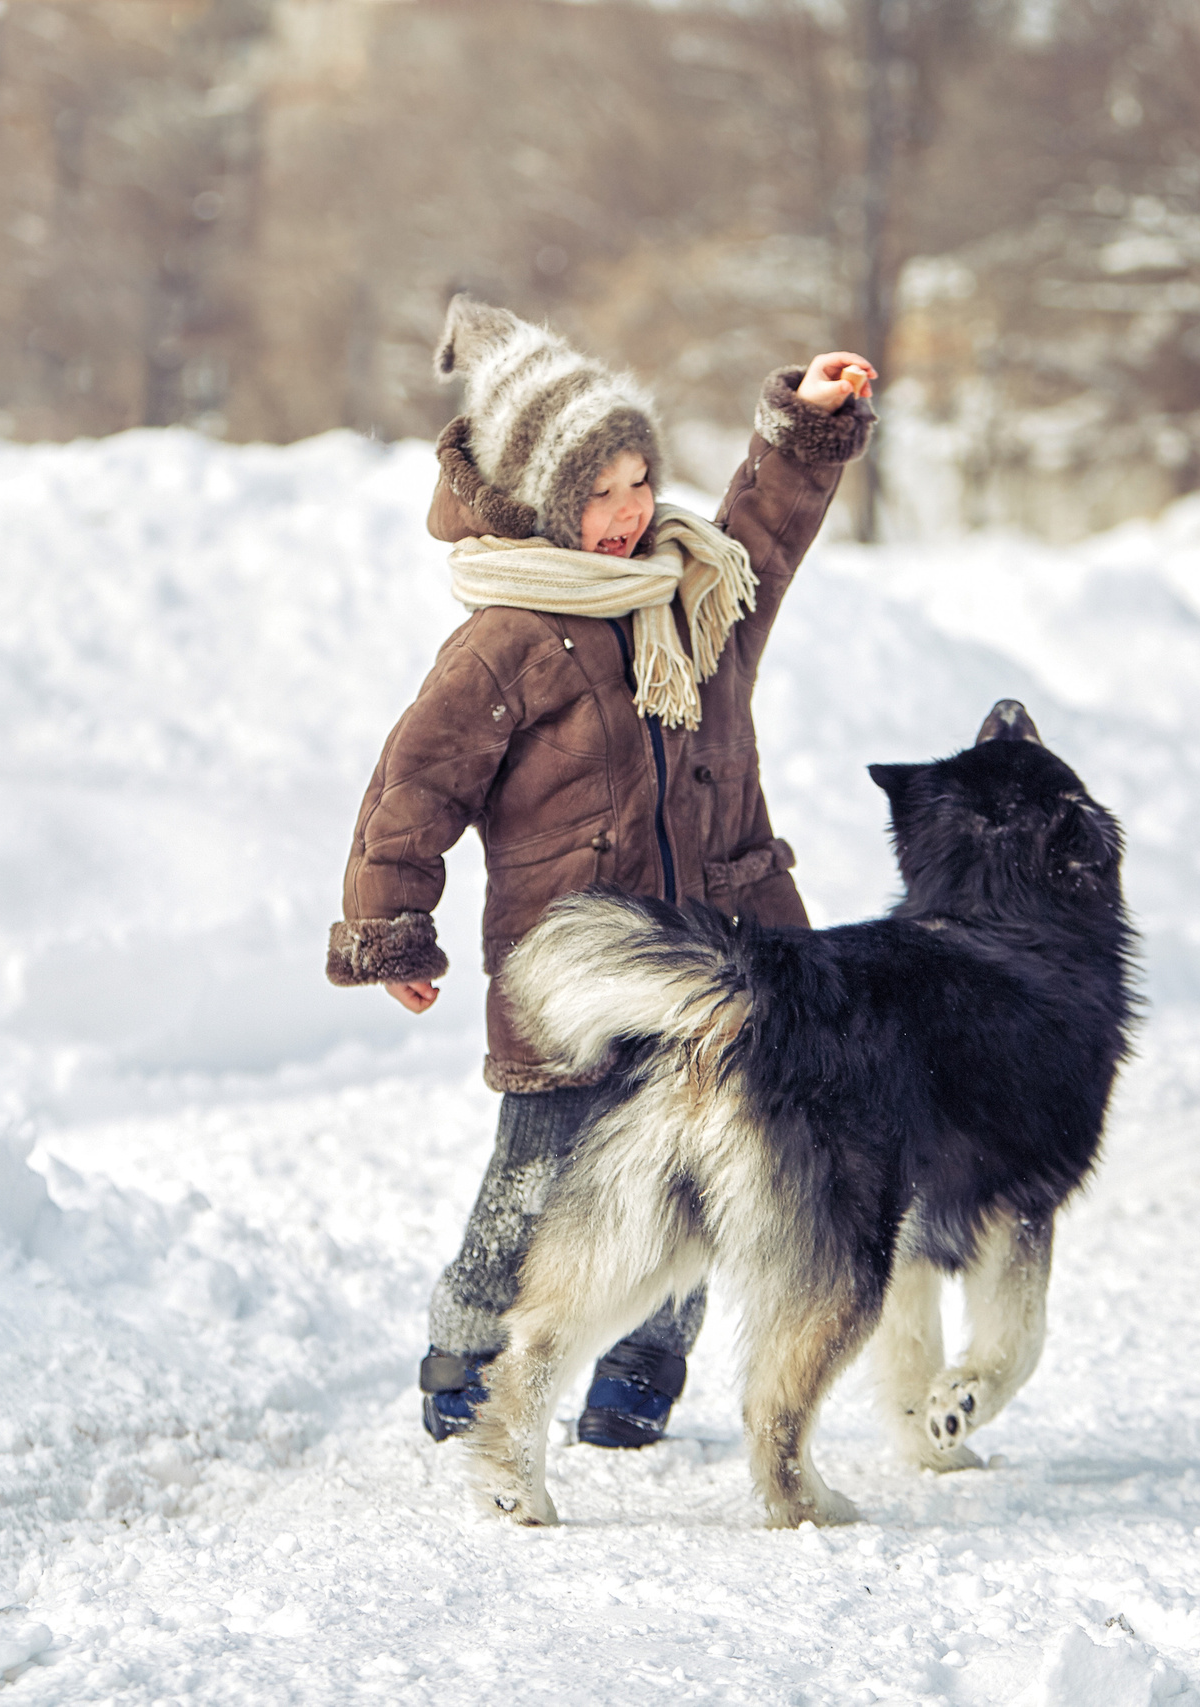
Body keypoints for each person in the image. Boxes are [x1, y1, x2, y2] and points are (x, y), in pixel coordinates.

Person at [326, 295, 874, 1448]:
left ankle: (639, 1375)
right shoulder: (508, 641)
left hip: (715, 963)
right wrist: (392, 926)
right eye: (598, 490)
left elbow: (765, 531)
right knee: (535, 1176)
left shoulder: (700, 598)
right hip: (574, 971)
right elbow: (414, 786)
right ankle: (467, 1359)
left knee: (696, 1175)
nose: (629, 511)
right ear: (542, 499)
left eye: (639, 480)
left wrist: (805, 425)